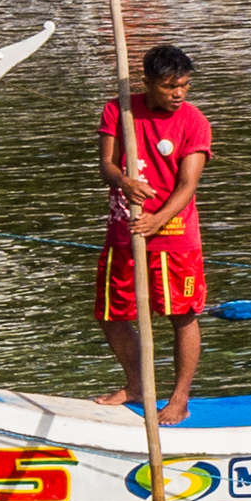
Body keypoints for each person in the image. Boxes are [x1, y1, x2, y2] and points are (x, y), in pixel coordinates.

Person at [97, 42, 209, 422]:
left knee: (183, 314)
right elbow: (107, 167)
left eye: (184, 85)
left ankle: (179, 398)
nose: (178, 94)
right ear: (148, 82)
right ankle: (138, 383)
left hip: (175, 235)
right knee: (112, 314)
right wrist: (124, 182)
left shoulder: (194, 121)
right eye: (168, 86)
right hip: (124, 231)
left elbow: (187, 185)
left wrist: (158, 220)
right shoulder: (120, 109)